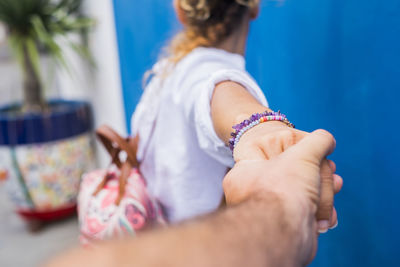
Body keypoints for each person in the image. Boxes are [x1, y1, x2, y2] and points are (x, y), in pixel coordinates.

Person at [131, 0, 332, 225]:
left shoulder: (169, 71)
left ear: (181, 11)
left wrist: (260, 132)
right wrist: (260, 131)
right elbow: (219, 92)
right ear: (253, 7)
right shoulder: (203, 73)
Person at [45, 130, 343, 267]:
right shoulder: (213, 73)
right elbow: (225, 92)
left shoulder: (164, 70)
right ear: (251, 7)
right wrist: (286, 209)